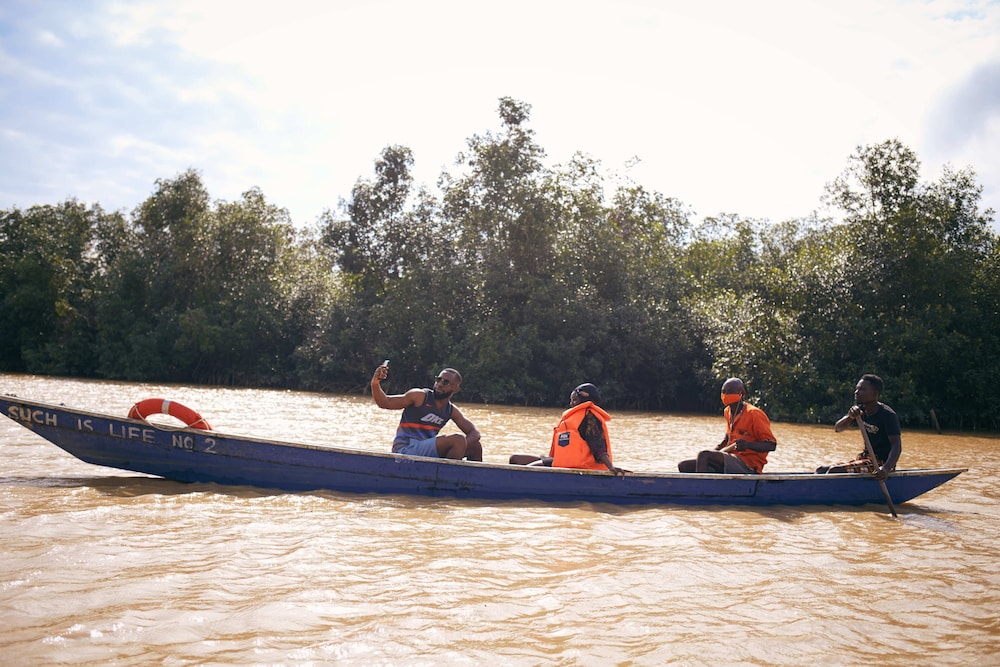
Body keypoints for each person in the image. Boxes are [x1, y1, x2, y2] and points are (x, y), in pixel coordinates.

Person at [508, 383, 628, 476]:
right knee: (515, 459)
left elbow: (598, 445)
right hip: (563, 462)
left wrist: (610, 467)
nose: (571, 404)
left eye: (574, 400)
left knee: (530, 469)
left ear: (585, 399)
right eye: (571, 400)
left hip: (582, 467)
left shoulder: (589, 417)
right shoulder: (573, 417)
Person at [371, 363, 482, 461]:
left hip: (426, 451)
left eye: (446, 382)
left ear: (456, 388)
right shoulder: (419, 396)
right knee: (457, 440)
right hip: (406, 449)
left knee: (475, 447)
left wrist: (462, 446)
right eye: (438, 379)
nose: (440, 384)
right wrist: (375, 383)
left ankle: (476, 482)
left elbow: (475, 433)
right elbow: (385, 402)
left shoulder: (450, 410)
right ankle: (448, 479)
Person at [678, 378, 777, 474]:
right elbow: (727, 440)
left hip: (748, 464)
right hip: (730, 458)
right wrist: (714, 452)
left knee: (704, 455)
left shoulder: (754, 413)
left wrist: (747, 445)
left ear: (742, 394)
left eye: (729, 391)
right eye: (723, 392)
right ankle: (711, 486)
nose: (725, 395)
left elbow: (771, 445)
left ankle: (702, 489)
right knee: (684, 465)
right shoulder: (727, 412)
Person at [817, 374, 901, 480]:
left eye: (862, 389)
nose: (856, 392)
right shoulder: (860, 411)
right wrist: (850, 417)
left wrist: (885, 469)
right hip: (865, 458)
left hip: (881, 463)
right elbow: (838, 428)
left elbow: (896, 446)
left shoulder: (887, 415)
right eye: (857, 389)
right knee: (821, 470)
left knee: (836, 471)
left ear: (874, 394)